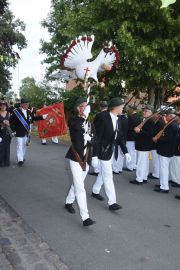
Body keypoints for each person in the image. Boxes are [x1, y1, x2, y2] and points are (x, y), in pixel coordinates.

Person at [91, 97, 131, 209]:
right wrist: (94, 155)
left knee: (103, 172)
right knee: (108, 175)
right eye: (122, 106)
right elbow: (97, 137)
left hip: (111, 151)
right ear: (115, 107)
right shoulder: (103, 117)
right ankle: (112, 202)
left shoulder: (120, 119)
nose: (123, 108)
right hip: (102, 151)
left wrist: (126, 152)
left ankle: (95, 190)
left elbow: (120, 137)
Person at [65, 97, 95, 226]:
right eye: (83, 106)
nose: (86, 108)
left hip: (86, 157)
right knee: (80, 187)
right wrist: (83, 119)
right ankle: (85, 217)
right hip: (75, 157)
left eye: (87, 106)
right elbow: (74, 130)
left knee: (78, 183)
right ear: (78, 108)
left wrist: (90, 139)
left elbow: (96, 139)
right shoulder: (74, 120)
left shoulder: (90, 122)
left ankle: (68, 202)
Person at [10, 98, 47, 166]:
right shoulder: (16, 112)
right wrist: (13, 131)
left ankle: (22, 157)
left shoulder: (29, 111)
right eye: (26, 103)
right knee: (19, 145)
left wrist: (42, 117)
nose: (27, 105)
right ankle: (20, 159)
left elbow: (33, 118)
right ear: (21, 104)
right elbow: (11, 122)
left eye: (28, 103)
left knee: (24, 145)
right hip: (18, 132)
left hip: (27, 132)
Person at [153, 109, 179, 193]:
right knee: (164, 168)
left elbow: (168, 138)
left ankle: (164, 187)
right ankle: (163, 184)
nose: (165, 117)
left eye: (166, 115)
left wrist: (157, 139)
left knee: (164, 168)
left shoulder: (172, 125)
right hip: (168, 150)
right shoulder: (173, 124)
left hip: (166, 150)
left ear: (171, 116)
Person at [130, 105, 155, 185]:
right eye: (144, 111)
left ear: (150, 113)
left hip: (144, 146)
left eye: (146, 111)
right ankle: (143, 177)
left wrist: (139, 131)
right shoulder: (146, 120)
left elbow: (150, 134)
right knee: (144, 163)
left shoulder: (150, 121)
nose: (144, 112)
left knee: (141, 163)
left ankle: (139, 179)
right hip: (144, 145)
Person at [89, 100, 108, 176]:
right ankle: (100, 169)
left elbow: (94, 126)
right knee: (102, 154)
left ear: (100, 107)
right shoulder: (109, 115)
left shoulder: (99, 115)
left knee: (96, 152)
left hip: (98, 136)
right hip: (106, 137)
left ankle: (96, 170)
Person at [125, 104, 141, 171]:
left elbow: (128, 127)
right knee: (133, 152)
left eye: (129, 108)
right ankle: (134, 165)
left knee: (130, 151)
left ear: (132, 109)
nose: (128, 109)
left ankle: (130, 166)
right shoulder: (138, 116)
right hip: (135, 136)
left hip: (130, 136)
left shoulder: (131, 117)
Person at [112, 107, 128, 174]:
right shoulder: (126, 119)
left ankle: (115, 168)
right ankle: (119, 168)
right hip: (123, 139)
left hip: (118, 139)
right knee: (121, 155)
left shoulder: (119, 119)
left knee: (117, 155)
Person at [0, 101, 12, 166]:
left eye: (5, 105)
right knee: (1, 146)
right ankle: (1, 162)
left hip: (7, 132)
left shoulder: (9, 113)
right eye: (2, 105)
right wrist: (2, 122)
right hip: (0, 132)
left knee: (7, 146)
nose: (3, 106)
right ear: (0, 106)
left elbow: (11, 123)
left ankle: (6, 161)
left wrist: (8, 123)